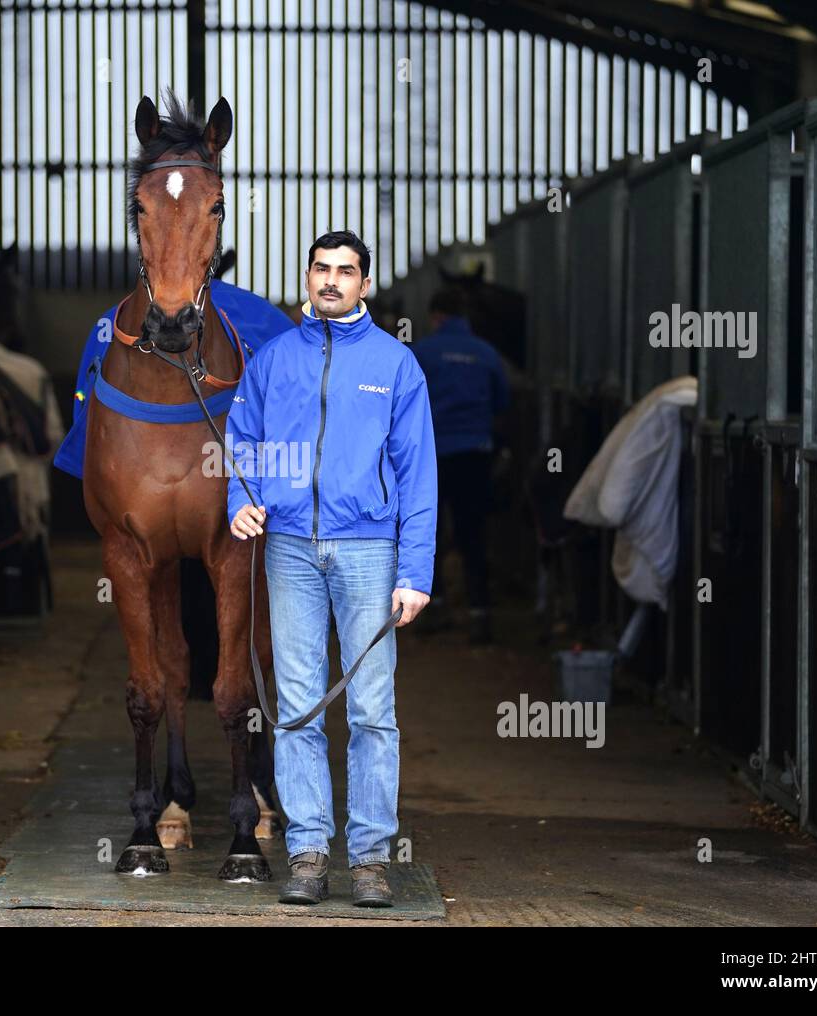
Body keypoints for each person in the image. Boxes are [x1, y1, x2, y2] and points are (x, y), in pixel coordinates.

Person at [227, 229, 438, 907]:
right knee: (297, 708)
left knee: (372, 709)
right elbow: (243, 438)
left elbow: (419, 475)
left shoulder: (396, 365)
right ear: (308, 274)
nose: (331, 280)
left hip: (369, 551)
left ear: (365, 285)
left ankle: (371, 859)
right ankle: (310, 853)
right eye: (321, 268)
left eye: (346, 271)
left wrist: (417, 572)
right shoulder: (272, 360)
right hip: (288, 546)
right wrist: (242, 498)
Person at [412, 286, 510, 643]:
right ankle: (480, 613)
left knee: (429, 532)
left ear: (436, 316)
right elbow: (502, 401)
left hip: (433, 457)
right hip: (475, 455)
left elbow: (406, 404)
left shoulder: (423, 352)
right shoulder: (486, 353)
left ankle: (433, 607)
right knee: (474, 533)